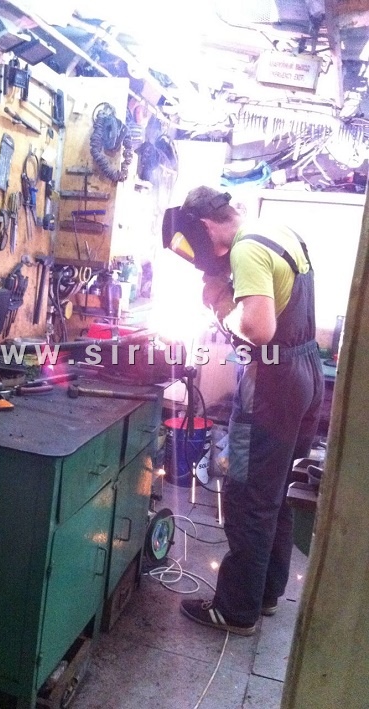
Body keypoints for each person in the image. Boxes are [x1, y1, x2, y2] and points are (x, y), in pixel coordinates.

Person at [164, 186, 324, 636]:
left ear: (206, 225)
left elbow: (257, 327)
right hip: (305, 373)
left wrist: (220, 304)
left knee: (246, 494)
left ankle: (235, 610)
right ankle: (265, 593)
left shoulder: (246, 248)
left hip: (271, 382)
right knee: (276, 490)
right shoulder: (277, 230)